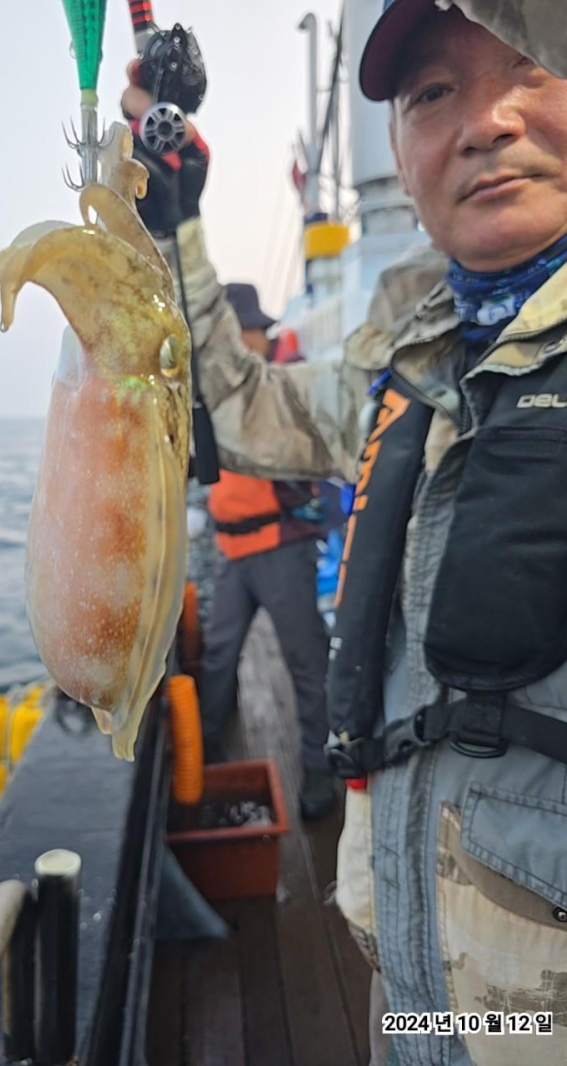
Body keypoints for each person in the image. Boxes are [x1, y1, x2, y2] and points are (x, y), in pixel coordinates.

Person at [125, 2, 567, 1062]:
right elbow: (239, 408)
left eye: (532, 65)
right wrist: (177, 218)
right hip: (409, 1002)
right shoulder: (405, 371)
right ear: (396, 149)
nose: (483, 121)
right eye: (431, 94)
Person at [199, 281, 334, 821]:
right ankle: (202, 765)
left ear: (257, 333)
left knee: (306, 663)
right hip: (231, 549)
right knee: (217, 655)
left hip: (282, 544)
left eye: (236, 335)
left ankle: (320, 772)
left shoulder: (287, 379)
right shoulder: (215, 389)